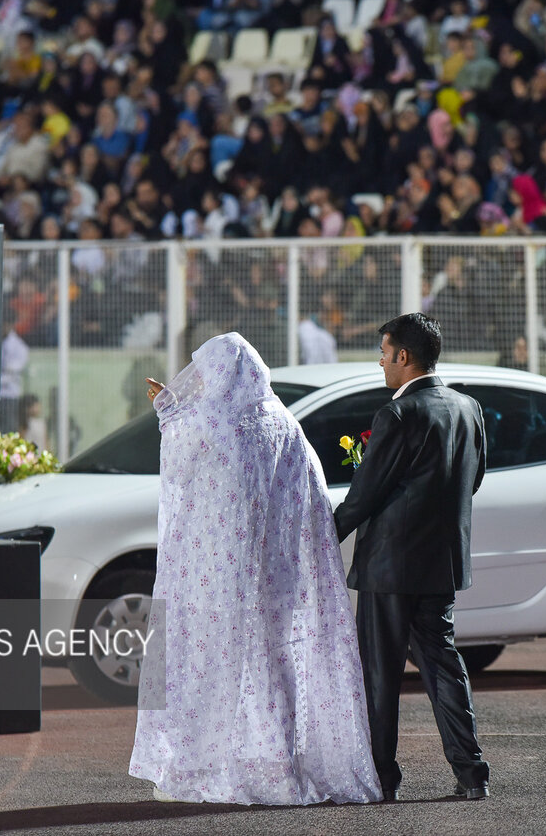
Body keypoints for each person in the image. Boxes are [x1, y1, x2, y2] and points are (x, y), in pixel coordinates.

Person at [129, 333, 382, 806]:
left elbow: (180, 465)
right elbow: (312, 499)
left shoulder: (215, 422)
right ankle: (277, 766)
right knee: (273, 668)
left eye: (205, 369)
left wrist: (167, 407)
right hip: (278, 578)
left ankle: (199, 768)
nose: (200, 378)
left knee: (209, 671)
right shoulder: (285, 424)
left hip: (218, 579)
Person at [333, 313, 490, 803]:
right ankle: (471, 773)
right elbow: (474, 479)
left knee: (379, 675)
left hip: (388, 568)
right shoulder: (469, 408)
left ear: (403, 356)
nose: (381, 362)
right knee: (443, 665)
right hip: (441, 563)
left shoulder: (397, 415)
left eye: (383, 352)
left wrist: (320, 535)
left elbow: (365, 496)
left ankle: (381, 779)